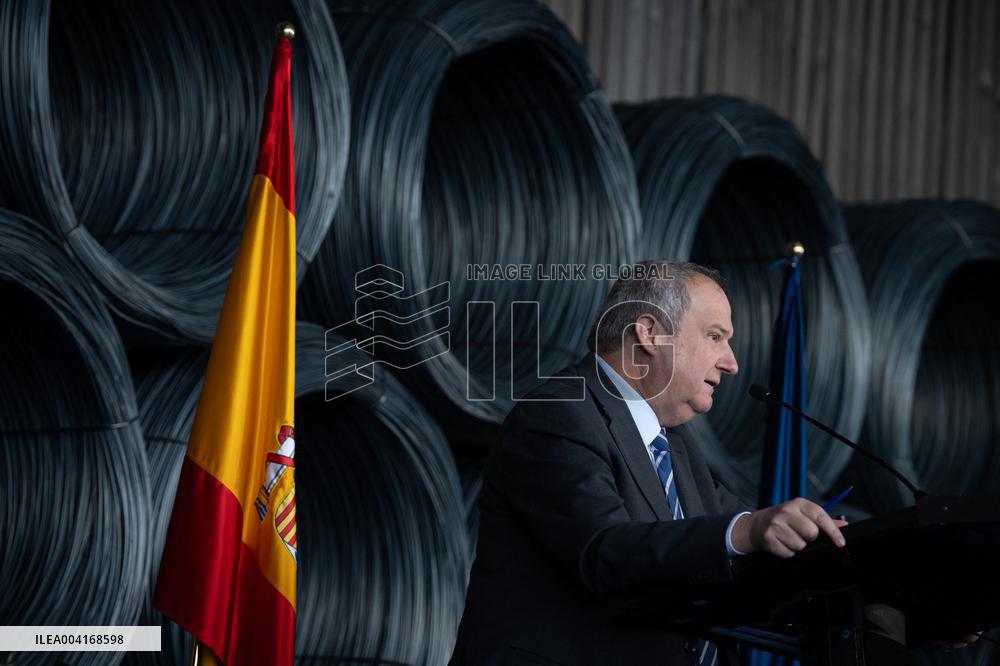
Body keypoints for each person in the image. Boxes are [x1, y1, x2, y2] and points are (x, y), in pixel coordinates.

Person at [449, 260, 849, 666]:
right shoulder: (556, 414)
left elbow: (726, 530)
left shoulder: (674, 442)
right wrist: (748, 531)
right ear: (650, 333)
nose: (732, 363)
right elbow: (605, 552)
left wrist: (815, 541)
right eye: (715, 337)